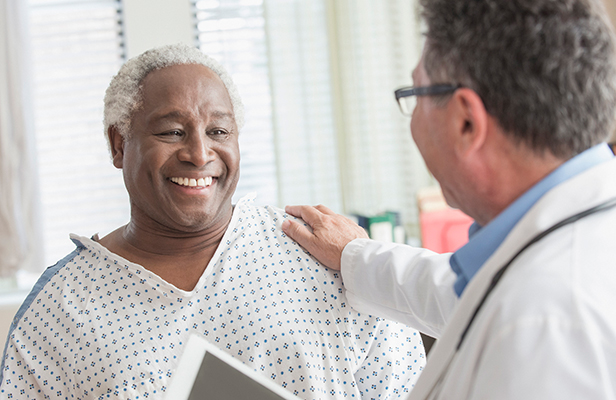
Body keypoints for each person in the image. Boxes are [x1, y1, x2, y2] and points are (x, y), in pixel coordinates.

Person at [281, 0, 616, 398]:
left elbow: (511, 306)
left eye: (415, 95)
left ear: (466, 121)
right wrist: (355, 255)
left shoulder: (548, 323)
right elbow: (462, 292)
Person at [0, 44, 425, 399]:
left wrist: (361, 261)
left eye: (219, 132)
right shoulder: (60, 310)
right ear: (118, 144)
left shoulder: (324, 259)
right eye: (171, 132)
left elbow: (408, 388)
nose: (199, 154)